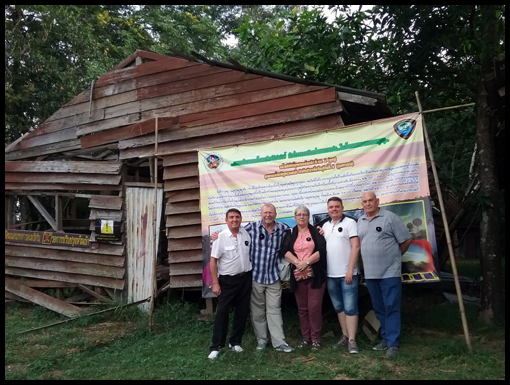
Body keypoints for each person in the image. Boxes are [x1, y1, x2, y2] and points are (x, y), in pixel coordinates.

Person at [212, 203, 294, 353]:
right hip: (255, 277)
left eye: (271, 212)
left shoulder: (283, 229)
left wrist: (319, 231)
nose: (268, 215)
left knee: (274, 310)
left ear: (275, 214)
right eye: (265, 213)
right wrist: (216, 234)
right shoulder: (251, 228)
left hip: (274, 277)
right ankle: (262, 340)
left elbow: (299, 232)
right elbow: (232, 230)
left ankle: (279, 342)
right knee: (257, 312)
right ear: (261, 214)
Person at [357, 192, 412, 359]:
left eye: (370, 200)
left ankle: (393, 344)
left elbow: (406, 240)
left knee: (391, 307)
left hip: (390, 272)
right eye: (365, 201)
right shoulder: (360, 220)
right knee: (379, 308)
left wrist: (394, 258)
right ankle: (386, 339)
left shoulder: (390, 218)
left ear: (377, 201)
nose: (368, 204)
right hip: (371, 274)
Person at [208, 208, 253, 360]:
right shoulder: (220, 237)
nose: (234, 220)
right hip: (227, 281)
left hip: (245, 279)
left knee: (242, 312)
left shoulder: (246, 234)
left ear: (241, 219)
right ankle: (216, 346)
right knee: (222, 313)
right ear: (226, 220)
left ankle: (235, 342)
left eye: (237, 217)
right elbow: (213, 261)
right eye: (231, 217)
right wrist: (215, 283)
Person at [281, 205, 327, 350]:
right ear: (295, 218)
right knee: (302, 308)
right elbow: (284, 250)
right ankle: (306, 338)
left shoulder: (316, 231)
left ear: (308, 217)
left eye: (304, 214)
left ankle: (316, 339)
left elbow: (322, 250)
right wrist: (297, 263)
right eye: (299, 214)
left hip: (315, 275)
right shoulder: (291, 233)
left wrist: (307, 262)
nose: (301, 217)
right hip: (298, 275)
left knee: (314, 307)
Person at [321, 196, 361, 354]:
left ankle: (352, 340)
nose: (334, 209)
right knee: (339, 307)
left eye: (337, 206)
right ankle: (345, 336)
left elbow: (356, 247)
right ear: (328, 209)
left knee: (351, 308)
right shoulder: (325, 225)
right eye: (331, 207)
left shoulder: (350, 223)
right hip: (331, 274)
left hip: (347, 274)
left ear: (342, 208)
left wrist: (350, 269)